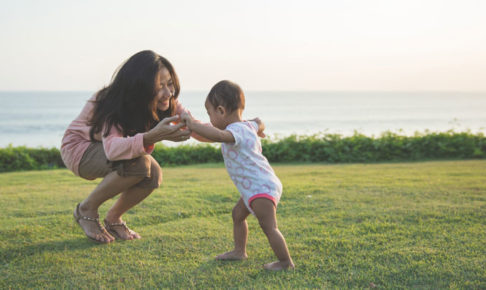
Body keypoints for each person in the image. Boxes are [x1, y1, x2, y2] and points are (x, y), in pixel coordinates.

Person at [61, 50, 205, 243]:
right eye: (159, 86)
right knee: (139, 165)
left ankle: (113, 218)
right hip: (80, 150)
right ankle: (86, 209)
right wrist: (153, 136)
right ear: (140, 87)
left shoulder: (168, 102)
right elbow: (113, 149)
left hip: (105, 148)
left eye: (169, 83)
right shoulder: (113, 102)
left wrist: (237, 129)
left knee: (153, 174)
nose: (168, 92)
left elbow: (196, 127)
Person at [180, 80, 295, 271]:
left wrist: (192, 124)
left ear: (221, 111)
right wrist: (261, 127)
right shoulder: (248, 126)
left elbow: (218, 136)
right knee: (238, 214)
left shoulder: (235, 131)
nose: (209, 119)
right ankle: (239, 251)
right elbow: (259, 121)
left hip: (260, 187)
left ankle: (285, 262)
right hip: (255, 186)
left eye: (209, 114)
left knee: (269, 227)